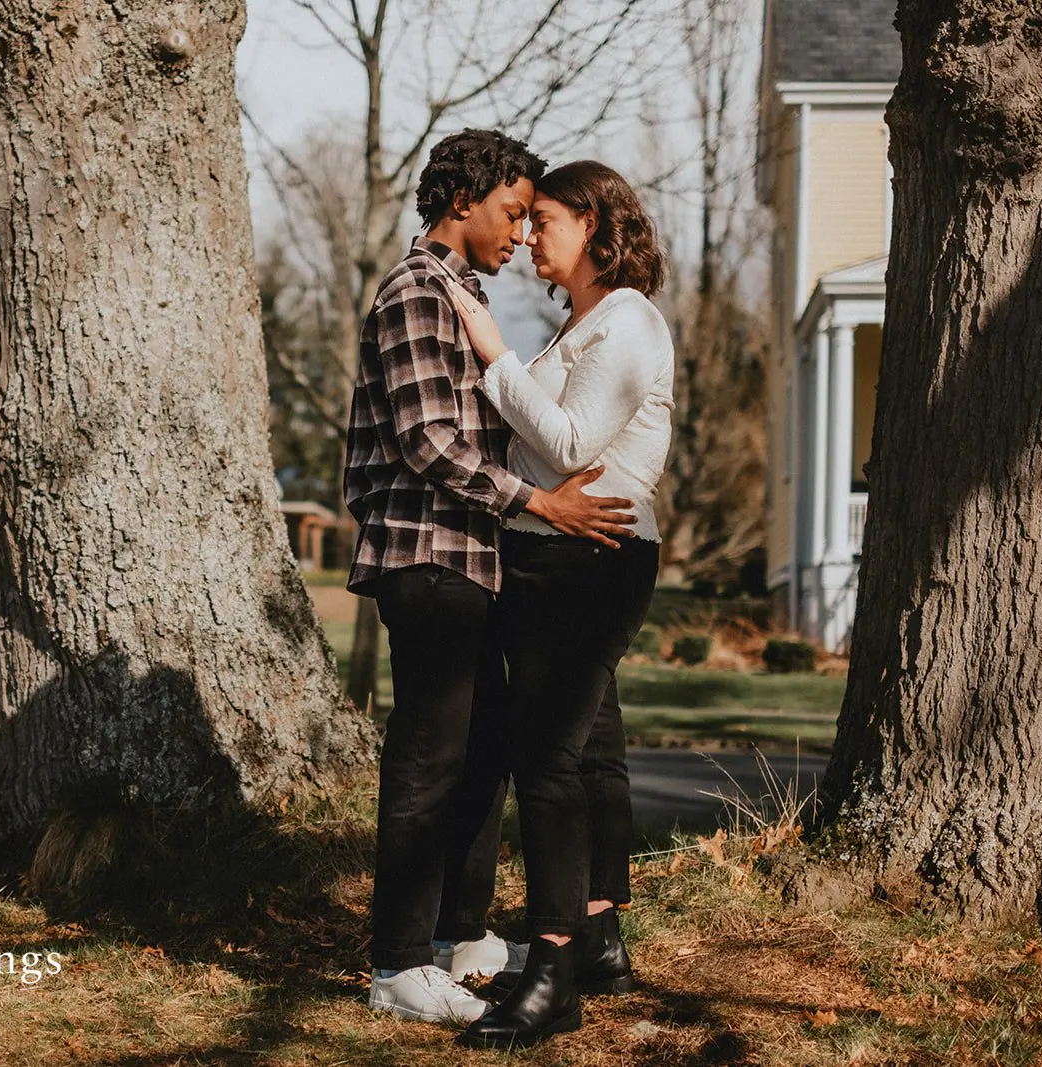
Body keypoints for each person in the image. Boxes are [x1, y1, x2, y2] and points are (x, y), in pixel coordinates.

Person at [343, 131, 639, 1025]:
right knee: (429, 758)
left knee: (480, 755)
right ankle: (397, 966)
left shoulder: (462, 295)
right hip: (425, 552)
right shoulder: (415, 291)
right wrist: (542, 504)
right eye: (512, 212)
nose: (519, 233)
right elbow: (428, 441)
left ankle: (457, 938)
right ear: (462, 200)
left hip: (471, 556)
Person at [441, 159, 674, 1050]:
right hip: (552, 550)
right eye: (527, 219)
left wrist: (493, 354)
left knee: (546, 762)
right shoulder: (583, 323)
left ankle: (552, 972)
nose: (529, 234)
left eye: (545, 219)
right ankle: (600, 940)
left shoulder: (628, 321)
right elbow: (540, 447)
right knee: (592, 748)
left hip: (591, 557)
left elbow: (571, 441)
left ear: (595, 223)